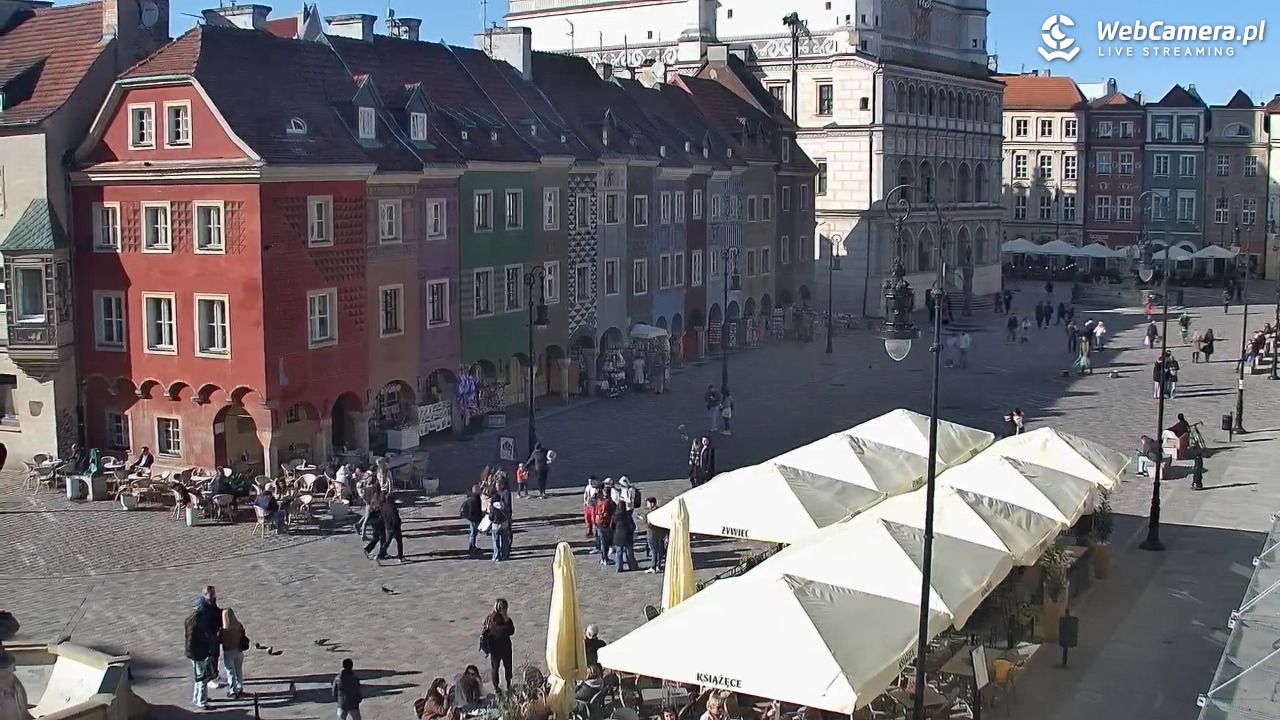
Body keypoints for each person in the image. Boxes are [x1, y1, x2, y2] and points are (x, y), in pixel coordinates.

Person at [481, 599, 516, 693]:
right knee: (501, 667)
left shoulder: (496, 618)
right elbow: (505, 631)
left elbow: (510, 631)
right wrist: (507, 621)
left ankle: (502, 686)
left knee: (500, 667)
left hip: (499, 647)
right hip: (500, 647)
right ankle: (502, 686)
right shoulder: (496, 619)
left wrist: (507, 621)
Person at [184, 606, 212, 709]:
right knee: (202, 679)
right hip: (198, 655)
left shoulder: (189, 623)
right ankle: (201, 701)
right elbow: (196, 642)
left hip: (194, 655)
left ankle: (196, 698)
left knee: (198, 677)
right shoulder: (197, 627)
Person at [195, 586, 223, 690]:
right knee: (209, 658)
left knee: (215, 656)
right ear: (205, 595)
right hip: (207, 637)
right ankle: (210, 679)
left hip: (214, 635)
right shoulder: (203, 607)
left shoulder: (211, 603)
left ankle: (215, 674)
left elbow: (216, 612)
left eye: (214, 594)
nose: (213, 596)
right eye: (211, 595)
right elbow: (206, 623)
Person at [219, 608, 247, 698]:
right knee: (239, 670)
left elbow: (220, 640)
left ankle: (233, 691)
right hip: (239, 650)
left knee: (231, 671)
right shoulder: (239, 625)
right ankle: (240, 688)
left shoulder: (225, 630)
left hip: (229, 652)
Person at [640, 496, 666, 573]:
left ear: (652, 504)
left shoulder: (652, 513)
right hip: (659, 532)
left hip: (652, 532)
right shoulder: (660, 510)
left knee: (654, 550)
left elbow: (649, 522)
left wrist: (642, 518)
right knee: (658, 549)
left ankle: (653, 566)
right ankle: (658, 565)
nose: (647, 505)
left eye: (648, 504)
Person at [612, 500, 638, 573]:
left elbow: (612, 526)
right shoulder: (627, 516)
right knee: (629, 553)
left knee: (619, 553)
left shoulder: (615, 516)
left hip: (618, 536)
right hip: (627, 536)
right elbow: (633, 526)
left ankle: (618, 568)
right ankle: (633, 567)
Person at [379, 493, 404, 562]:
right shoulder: (393, 507)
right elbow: (395, 518)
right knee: (399, 542)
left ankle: (380, 554)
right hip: (395, 527)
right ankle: (400, 556)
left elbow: (382, 516)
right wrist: (398, 524)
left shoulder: (383, 506)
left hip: (387, 526)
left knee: (387, 542)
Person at [592, 491, 616, 562]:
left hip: (598, 522)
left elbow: (594, 511)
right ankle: (605, 558)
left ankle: (603, 558)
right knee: (606, 541)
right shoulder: (608, 502)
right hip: (606, 523)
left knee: (602, 541)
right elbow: (613, 512)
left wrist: (594, 523)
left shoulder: (598, 501)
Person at [463, 485, 484, 554]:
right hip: (475, 519)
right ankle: (472, 547)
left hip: (473, 519)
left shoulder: (473, 497)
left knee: (473, 534)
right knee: (473, 534)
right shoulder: (475, 499)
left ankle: (472, 546)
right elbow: (475, 511)